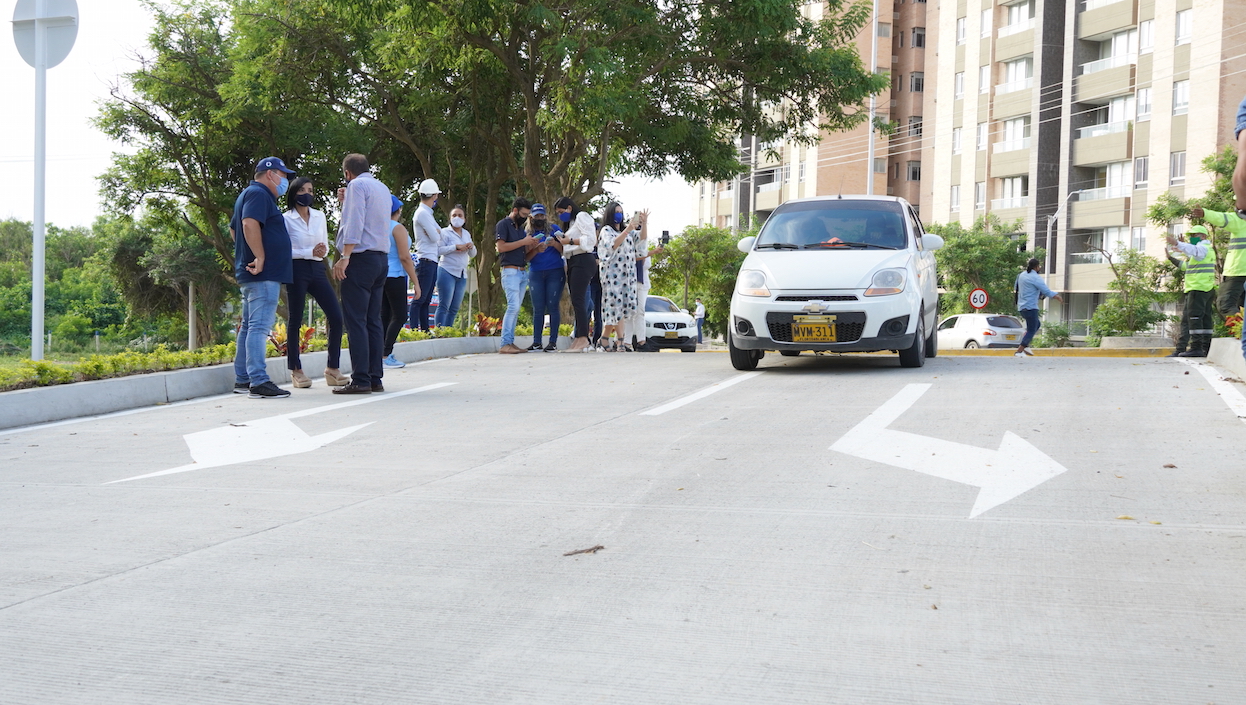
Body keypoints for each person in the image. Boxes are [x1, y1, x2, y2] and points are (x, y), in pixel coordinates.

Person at [230, 156, 295, 399]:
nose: (285, 181)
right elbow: (248, 224)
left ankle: (243, 379)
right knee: (258, 327)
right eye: (284, 175)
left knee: (248, 327)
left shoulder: (248, 194)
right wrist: (259, 256)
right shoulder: (258, 194)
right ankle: (258, 381)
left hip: (252, 273)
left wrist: (247, 253)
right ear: (271, 174)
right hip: (262, 274)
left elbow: (233, 229)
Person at [333, 153, 393, 394]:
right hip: (380, 258)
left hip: (360, 257)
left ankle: (360, 379)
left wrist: (345, 256)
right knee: (373, 320)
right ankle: (374, 376)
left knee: (355, 320)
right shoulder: (382, 187)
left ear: (347, 173)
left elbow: (355, 222)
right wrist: (343, 203)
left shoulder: (356, 185)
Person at [282, 177, 347, 388]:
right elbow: (283, 250)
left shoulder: (319, 216)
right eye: (302, 190)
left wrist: (322, 251)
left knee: (337, 317)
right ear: (293, 192)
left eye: (310, 189)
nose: (307, 193)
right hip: (296, 269)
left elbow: (325, 244)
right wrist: (307, 251)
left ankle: (332, 368)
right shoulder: (286, 219)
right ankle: (296, 370)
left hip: (317, 268)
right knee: (296, 319)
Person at [552, 196, 598, 352]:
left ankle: (584, 338)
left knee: (579, 301)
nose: (560, 215)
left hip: (583, 260)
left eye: (561, 211)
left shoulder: (581, 216)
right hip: (572, 261)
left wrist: (570, 241)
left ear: (569, 208)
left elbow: (591, 239)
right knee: (576, 301)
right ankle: (578, 337)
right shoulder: (570, 223)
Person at [596, 202, 642, 351]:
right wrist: (628, 229)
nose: (619, 215)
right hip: (612, 275)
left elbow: (641, 238)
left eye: (621, 212)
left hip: (626, 276)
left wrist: (644, 224)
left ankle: (604, 339)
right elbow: (612, 245)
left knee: (620, 307)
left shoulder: (627, 231)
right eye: (616, 212)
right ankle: (620, 341)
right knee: (615, 306)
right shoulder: (606, 230)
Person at [1166, 225, 1217, 358]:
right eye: (1191, 235)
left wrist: (1179, 243)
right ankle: (1205, 348)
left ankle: (1196, 347)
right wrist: (1174, 254)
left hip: (1198, 289)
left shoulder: (1203, 249)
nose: (1192, 238)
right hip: (1206, 289)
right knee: (1204, 319)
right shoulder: (1205, 251)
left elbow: (1194, 250)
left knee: (1193, 319)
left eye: (1195, 235)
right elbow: (1186, 264)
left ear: (1204, 236)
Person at [382, 195, 419, 369]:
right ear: (398, 210)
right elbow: (404, 257)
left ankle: (379, 353)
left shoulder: (377, 226)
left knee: (384, 315)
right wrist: (416, 282)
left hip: (379, 274)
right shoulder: (397, 228)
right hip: (395, 275)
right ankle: (386, 353)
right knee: (400, 315)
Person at [1189, 206, 1246, 318]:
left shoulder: (1240, 219)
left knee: (1225, 305)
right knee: (1242, 306)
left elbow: (1222, 218)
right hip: (1238, 272)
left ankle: (1240, 330)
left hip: (1238, 271)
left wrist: (1205, 213)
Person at [496, 197, 535, 354]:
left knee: (516, 309)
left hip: (521, 271)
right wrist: (523, 242)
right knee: (512, 307)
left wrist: (534, 248)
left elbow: (523, 255)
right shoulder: (503, 224)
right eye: (524, 214)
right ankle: (505, 343)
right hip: (510, 271)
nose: (525, 217)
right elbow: (501, 247)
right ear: (515, 211)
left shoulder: (520, 230)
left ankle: (510, 342)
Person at [408, 179, 447, 332]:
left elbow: (440, 233)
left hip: (431, 259)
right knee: (420, 298)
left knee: (426, 299)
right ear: (435, 195)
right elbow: (436, 237)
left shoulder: (426, 214)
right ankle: (413, 330)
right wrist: (437, 232)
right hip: (425, 259)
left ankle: (424, 330)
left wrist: (437, 232)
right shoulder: (422, 213)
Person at [526, 203, 566, 351]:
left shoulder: (554, 229)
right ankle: (537, 342)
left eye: (542, 215)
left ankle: (552, 342)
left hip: (555, 271)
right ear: (531, 217)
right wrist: (537, 249)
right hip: (536, 272)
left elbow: (564, 250)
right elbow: (526, 258)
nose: (540, 218)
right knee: (538, 308)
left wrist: (554, 244)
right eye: (537, 216)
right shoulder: (527, 233)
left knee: (553, 305)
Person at [435, 204, 477, 329]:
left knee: (454, 307)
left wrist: (471, 246)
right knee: (444, 305)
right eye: (454, 215)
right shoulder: (444, 232)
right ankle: (439, 332)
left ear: (464, 219)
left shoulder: (466, 234)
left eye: (460, 215)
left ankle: (448, 332)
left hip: (462, 273)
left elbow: (473, 254)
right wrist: (455, 247)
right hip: (447, 270)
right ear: (450, 218)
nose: (457, 218)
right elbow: (438, 250)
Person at [1014, 258, 1064, 357]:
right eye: (1039, 266)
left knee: (1036, 324)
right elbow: (1047, 291)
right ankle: (1019, 351)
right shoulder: (1035, 277)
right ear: (1036, 267)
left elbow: (1016, 287)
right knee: (1032, 329)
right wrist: (1057, 296)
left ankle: (1026, 344)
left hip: (1021, 307)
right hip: (1031, 307)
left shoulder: (1021, 275)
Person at [625, 214, 655, 351]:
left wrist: (645, 223)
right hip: (628, 279)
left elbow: (646, 262)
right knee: (629, 312)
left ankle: (641, 341)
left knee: (640, 311)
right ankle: (626, 342)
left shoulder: (643, 242)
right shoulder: (626, 238)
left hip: (642, 280)